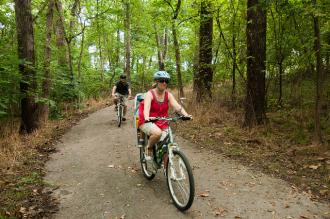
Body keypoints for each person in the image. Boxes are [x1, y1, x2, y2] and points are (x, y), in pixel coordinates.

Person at [138, 71, 192, 160]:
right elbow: (146, 109)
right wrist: (147, 117)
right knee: (157, 133)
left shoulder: (168, 95)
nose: (164, 83)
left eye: (166, 81)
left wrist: (186, 115)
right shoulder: (150, 94)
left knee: (166, 144)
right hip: (147, 120)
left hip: (162, 121)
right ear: (156, 81)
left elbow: (177, 106)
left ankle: (166, 167)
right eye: (162, 80)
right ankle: (149, 148)